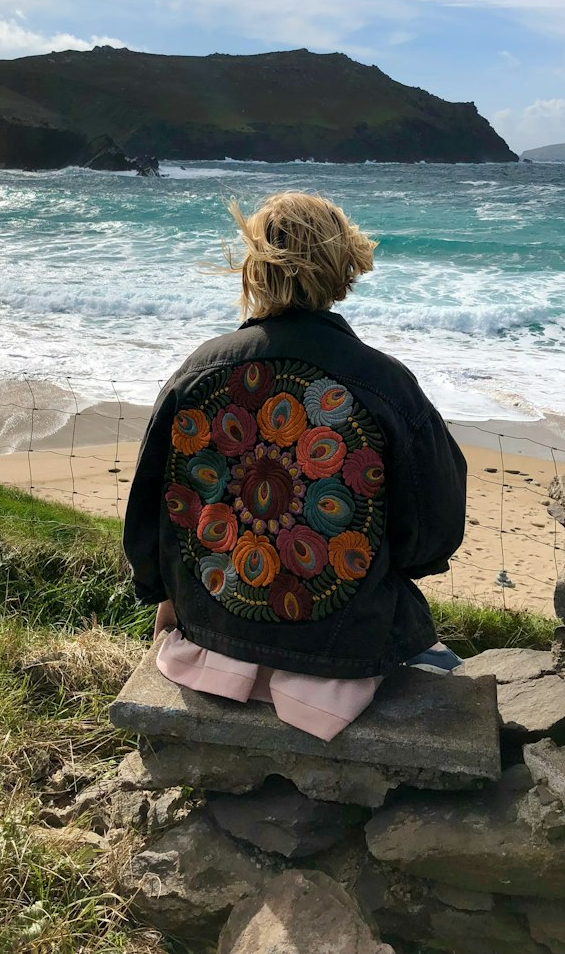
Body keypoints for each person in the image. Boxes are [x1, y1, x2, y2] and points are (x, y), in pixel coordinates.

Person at [123, 191, 466, 741]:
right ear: (345, 268)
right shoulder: (385, 383)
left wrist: (168, 591)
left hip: (206, 642)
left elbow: (148, 509)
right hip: (343, 659)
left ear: (253, 268)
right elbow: (435, 532)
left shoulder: (198, 370)